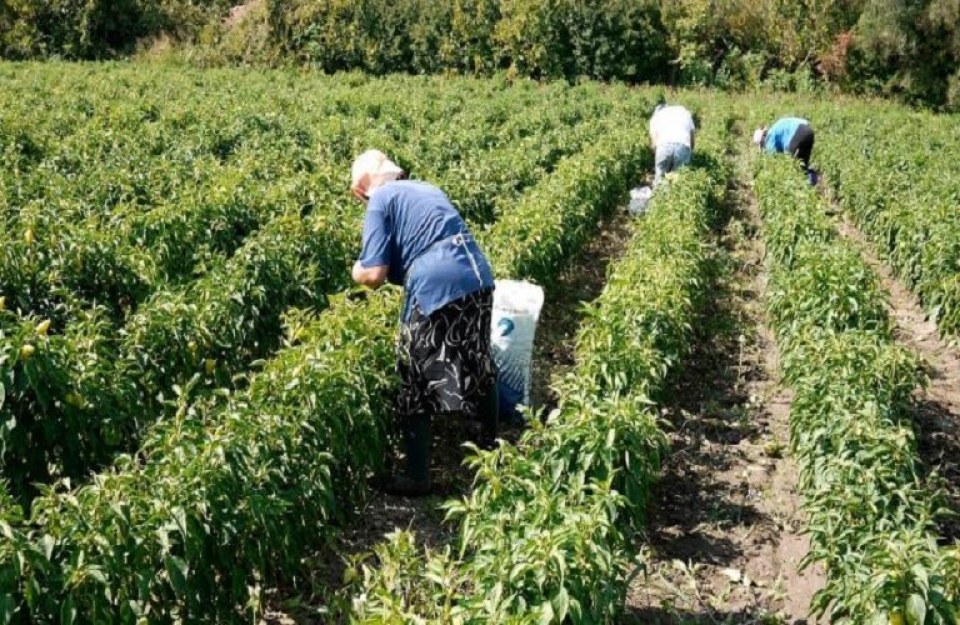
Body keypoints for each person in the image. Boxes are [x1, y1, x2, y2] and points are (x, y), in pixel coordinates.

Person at [350, 149, 499, 496]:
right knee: (477, 358)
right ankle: (490, 447)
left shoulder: (380, 200)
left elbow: (373, 274)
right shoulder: (427, 188)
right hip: (477, 273)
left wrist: (356, 269)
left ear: (361, 189)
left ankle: (418, 476)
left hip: (437, 279)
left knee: (414, 375)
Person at [649, 101, 696, 186]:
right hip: (683, 147)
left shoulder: (656, 118)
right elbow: (692, 141)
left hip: (663, 147)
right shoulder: (685, 114)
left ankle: (660, 197)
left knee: (660, 180)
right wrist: (688, 153)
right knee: (679, 181)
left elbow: (654, 144)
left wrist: (658, 157)